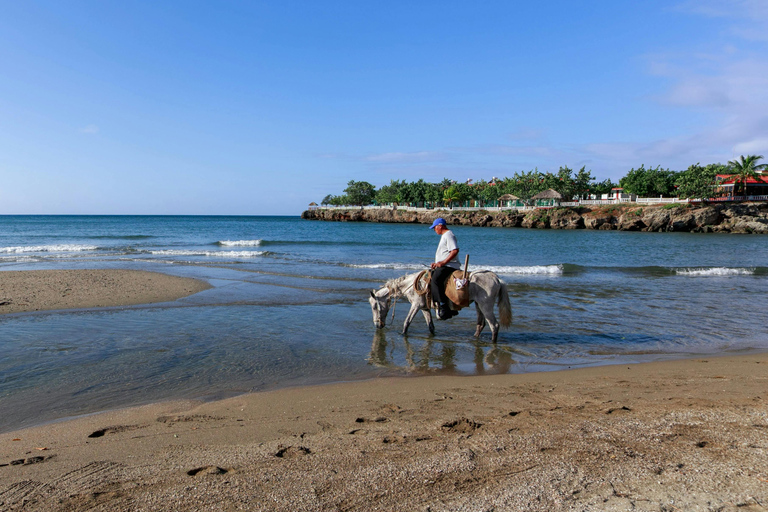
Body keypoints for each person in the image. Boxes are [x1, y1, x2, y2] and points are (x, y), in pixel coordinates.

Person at [429, 217, 460, 320]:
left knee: (435, 281)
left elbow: (454, 251)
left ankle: (444, 307)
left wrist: (443, 262)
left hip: (450, 265)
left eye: (435, 228)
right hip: (444, 265)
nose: (434, 230)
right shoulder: (445, 236)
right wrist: (437, 263)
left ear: (440, 226)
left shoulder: (448, 235)